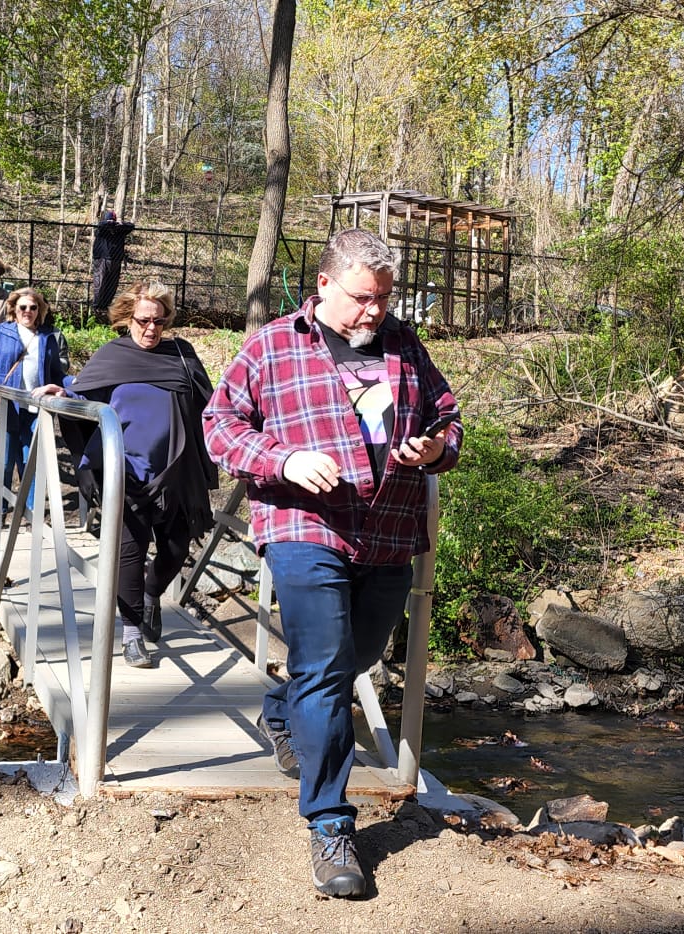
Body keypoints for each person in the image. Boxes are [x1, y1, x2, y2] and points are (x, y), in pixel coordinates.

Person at [202, 228, 462, 898]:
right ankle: (329, 825)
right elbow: (219, 427)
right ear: (323, 284)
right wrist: (284, 459)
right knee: (324, 667)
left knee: (358, 655)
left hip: (389, 531)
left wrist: (436, 449)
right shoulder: (272, 345)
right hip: (304, 526)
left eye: (384, 298)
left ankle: (281, 709)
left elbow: (448, 417)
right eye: (362, 297)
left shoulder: (404, 344)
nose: (374, 311)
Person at [61, 282, 218, 669]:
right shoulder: (113, 356)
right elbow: (81, 402)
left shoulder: (181, 354)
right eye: (144, 320)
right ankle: (132, 636)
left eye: (159, 321)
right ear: (127, 318)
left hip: (177, 474)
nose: (152, 328)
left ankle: (151, 595)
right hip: (127, 472)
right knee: (129, 554)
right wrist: (63, 396)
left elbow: (211, 405)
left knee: (176, 549)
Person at [0, 286, 69, 490]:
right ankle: (0, 509)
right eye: (23, 307)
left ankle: (30, 509)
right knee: (5, 464)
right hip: (7, 407)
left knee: (31, 467)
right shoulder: (2, 332)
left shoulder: (47, 337)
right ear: (14, 309)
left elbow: (57, 374)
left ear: (39, 310)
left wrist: (76, 384)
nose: (28, 311)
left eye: (33, 307)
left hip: (36, 410)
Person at [89, 210, 135, 315]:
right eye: (110, 220)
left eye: (112, 220)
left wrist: (120, 224)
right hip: (102, 258)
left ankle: (105, 305)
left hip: (115, 259)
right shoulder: (102, 229)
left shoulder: (119, 230)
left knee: (112, 284)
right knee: (100, 282)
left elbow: (131, 226)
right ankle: (96, 306)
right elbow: (101, 225)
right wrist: (110, 223)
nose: (111, 222)